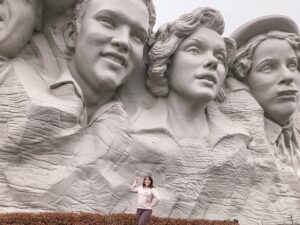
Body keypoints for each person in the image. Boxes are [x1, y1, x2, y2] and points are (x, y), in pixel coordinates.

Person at [104, 7, 251, 220]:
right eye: (195, 50)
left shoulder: (237, 142)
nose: (212, 62)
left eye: (219, 56)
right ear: (166, 61)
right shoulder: (129, 132)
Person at [219, 15, 300, 224]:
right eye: (268, 67)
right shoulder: (230, 143)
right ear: (242, 77)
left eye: (292, 65)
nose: (288, 76)